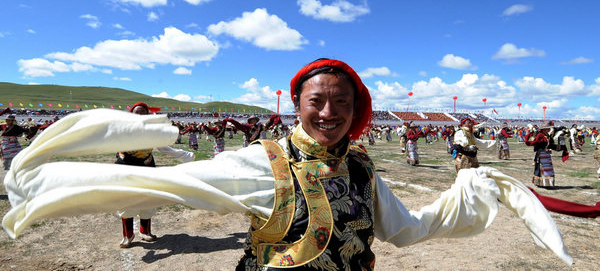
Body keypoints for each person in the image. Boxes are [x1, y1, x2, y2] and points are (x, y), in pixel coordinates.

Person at [3, 59, 572, 269]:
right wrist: (47, 176)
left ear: (357, 110)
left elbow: (405, 230)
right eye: (316, 101)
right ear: (297, 105)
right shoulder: (261, 161)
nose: (329, 112)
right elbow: (172, 183)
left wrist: (470, 189)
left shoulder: (365, 169)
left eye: (341, 103)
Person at [116, 102, 195, 248]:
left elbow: (165, 148)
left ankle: (144, 231)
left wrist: (186, 155)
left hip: (147, 167)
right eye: (136, 113)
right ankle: (128, 235)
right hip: (126, 168)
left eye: (142, 113)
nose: (139, 115)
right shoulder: (122, 129)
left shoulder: (152, 132)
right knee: (126, 200)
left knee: (148, 198)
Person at [525, 121, 556, 187]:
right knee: (542, 168)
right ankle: (541, 183)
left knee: (547, 168)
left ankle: (548, 184)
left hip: (547, 154)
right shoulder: (540, 135)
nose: (550, 129)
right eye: (548, 128)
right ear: (544, 129)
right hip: (541, 154)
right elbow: (535, 142)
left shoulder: (547, 135)